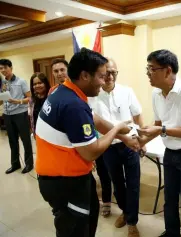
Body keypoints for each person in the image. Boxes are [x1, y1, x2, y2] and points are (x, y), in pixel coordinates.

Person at [35, 48, 136, 237]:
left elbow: (94, 117)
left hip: (65, 176)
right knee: (76, 230)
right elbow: (91, 152)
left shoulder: (65, 92)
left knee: (87, 221)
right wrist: (117, 128)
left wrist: (124, 136)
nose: (104, 81)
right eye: (101, 76)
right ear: (84, 75)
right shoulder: (73, 105)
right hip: (65, 183)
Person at [137, 49, 181, 237]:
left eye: (152, 69)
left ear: (167, 71)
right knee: (170, 198)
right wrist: (141, 140)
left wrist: (162, 130)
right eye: (147, 69)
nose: (148, 74)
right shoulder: (156, 94)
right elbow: (158, 124)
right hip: (171, 152)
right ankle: (172, 232)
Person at [88, 58, 144, 237]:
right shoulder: (93, 96)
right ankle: (125, 212)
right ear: (102, 74)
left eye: (114, 73)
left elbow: (137, 116)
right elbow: (98, 125)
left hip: (130, 146)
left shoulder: (127, 92)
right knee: (118, 184)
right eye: (107, 73)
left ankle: (132, 222)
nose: (111, 76)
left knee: (133, 184)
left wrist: (141, 139)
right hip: (109, 147)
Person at [0, 59, 33, 174]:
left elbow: (29, 98)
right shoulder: (3, 83)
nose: (3, 70)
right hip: (7, 115)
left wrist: (17, 101)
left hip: (20, 114)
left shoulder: (21, 81)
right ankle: (15, 164)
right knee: (12, 141)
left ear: (11, 67)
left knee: (25, 140)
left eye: (5, 67)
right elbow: (3, 99)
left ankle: (29, 164)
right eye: (0, 68)